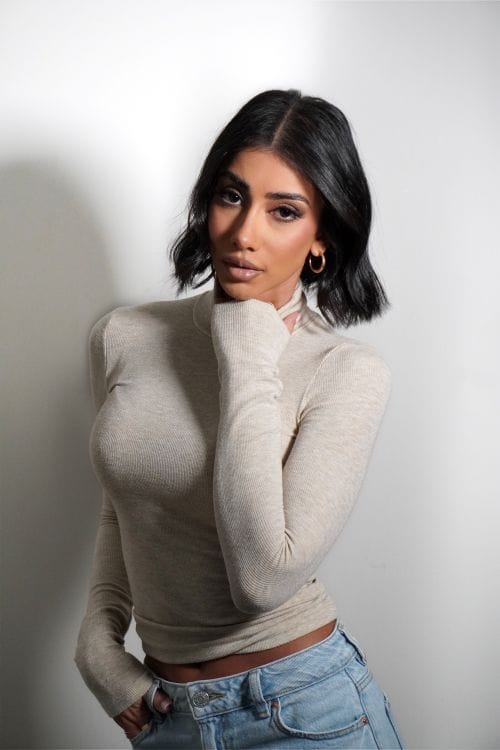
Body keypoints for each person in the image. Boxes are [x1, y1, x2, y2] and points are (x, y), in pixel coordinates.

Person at [74, 88, 406, 749]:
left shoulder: (346, 372)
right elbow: (127, 501)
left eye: (284, 211)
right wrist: (98, 640)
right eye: (231, 196)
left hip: (304, 712)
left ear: (322, 238)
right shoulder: (124, 336)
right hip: (165, 716)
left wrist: (248, 349)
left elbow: (261, 579)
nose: (244, 233)